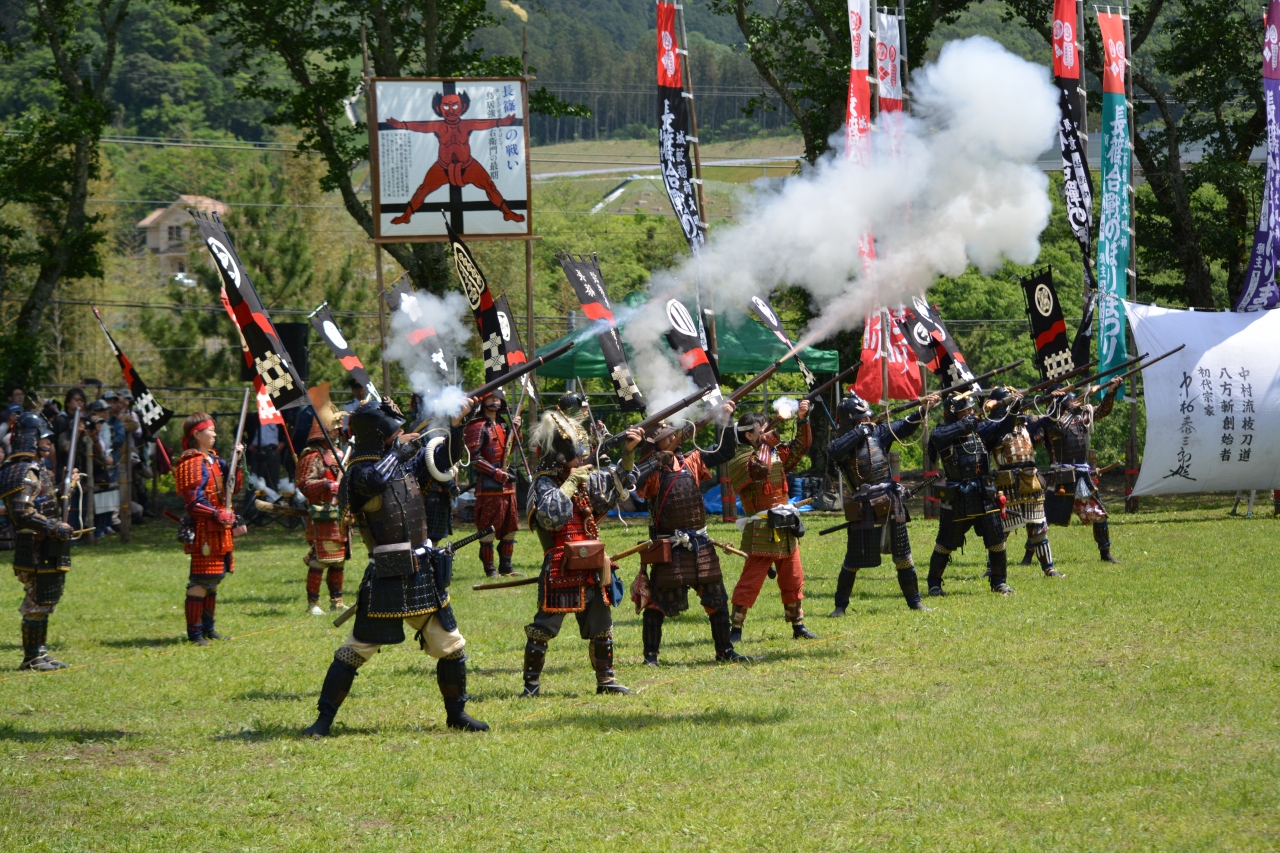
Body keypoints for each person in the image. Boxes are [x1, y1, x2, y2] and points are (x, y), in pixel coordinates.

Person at [302, 397, 487, 737]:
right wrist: (398, 453)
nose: (402, 433)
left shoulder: (402, 463)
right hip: (386, 574)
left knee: (452, 647)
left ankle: (456, 714)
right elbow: (372, 481)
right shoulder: (357, 471)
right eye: (395, 430)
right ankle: (323, 720)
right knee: (354, 651)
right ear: (376, 433)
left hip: (421, 571)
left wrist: (458, 424)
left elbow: (444, 460)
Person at [620, 404, 748, 666]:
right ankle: (650, 656)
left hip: (699, 543)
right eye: (666, 435)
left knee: (717, 599)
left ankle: (724, 651)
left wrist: (724, 418)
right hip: (670, 545)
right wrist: (655, 461)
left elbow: (725, 451)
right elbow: (631, 481)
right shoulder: (650, 467)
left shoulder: (692, 459)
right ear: (656, 442)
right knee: (656, 603)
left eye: (671, 433)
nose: (672, 436)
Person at [521, 409, 633, 698]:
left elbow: (617, 482)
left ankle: (606, 680)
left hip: (591, 562)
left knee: (601, 626)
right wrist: (570, 483)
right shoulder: (543, 483)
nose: (582, 460)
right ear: (559, 458)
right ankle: (531, 687)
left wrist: (629, 452)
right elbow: (550, 516)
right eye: (577, 456)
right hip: (560, 564)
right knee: (543, 628)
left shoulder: (584, 478)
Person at [827, 392, 939, 617]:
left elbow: (904, 426)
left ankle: (914, 601)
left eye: (866, 418)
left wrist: (923, 409)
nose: (867, 420)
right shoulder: (844, 440)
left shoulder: (879, 432)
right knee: (854, 559)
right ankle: (840, 606)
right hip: (863, 504)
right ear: (850, 420)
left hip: (890, 498)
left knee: (903, 555)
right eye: (861, 418)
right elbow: (833, 451)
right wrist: (859, 432)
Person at [727, 402, 816, 643]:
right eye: (762, 431)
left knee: (794, 577)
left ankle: (798, 625)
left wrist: (802, 419)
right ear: (748, 435)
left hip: (785, 524)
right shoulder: (740, 458)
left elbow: (800, 448)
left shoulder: (771, 453)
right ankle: (735, 629)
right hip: (761, 528)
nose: (767, 434)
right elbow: (759, 471)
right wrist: (767, 445)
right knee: (750, 582)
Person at [926, 390, 1023, 597]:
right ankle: (934, 584)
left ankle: (999, 582)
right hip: (958, 495)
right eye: (965, 410)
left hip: (983, 493)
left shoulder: (979, 430)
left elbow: (1003, 426)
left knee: (997, 539)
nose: (970, 413)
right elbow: (936, 436)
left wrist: (1013, 409)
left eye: (971, 409)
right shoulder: (944, 432)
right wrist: (963, 426)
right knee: (945, 543)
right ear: (954, 414)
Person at [0, 413, 74, 670]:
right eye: (44, 438)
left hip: (44, 544)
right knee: (36, 601)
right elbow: (22, 511)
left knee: (45, 599)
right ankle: (31, 657)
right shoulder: (24, 469)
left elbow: (42, 503)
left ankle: (39, 652)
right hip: (34, 545)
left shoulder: (32, 468)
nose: (48, 443)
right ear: (32, 439)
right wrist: (54, 525)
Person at [176, 413, 243, 646]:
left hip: (220, 530)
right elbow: (193, 503)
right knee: (201, 581)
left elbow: (232, 488)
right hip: (204, 530)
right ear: (196, 434)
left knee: (214, 580)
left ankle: (208, 629)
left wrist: (238, 460)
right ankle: (194, 633)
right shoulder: (192, 463)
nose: (215, 433)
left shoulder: (215, 460)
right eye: (210, 430)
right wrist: (215, 513)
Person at [980, 387, 1061, 578]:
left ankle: (1049, 568)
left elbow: (1049, 420)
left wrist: (1056, 402)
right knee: (1001, 531)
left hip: (1030, 479)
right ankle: (993, 569)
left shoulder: (1027, 423)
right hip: (1006, 484)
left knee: (1038, 527)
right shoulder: (992, 426)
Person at [1041, 379, 1124, 562]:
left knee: (1100, 515)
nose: (1076, 403)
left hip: (1082, 477)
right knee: (1042, 519)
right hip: (1061, 477)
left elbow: (1102, 410)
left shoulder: (1081, 415)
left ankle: (1105, 553)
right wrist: (1067, 411)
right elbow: (1056, 429)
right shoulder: (1051, 421)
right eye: (1071, 401)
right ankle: (1030, 554)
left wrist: (1110, 392)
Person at [463, 390, 523, 579]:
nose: (495, 401)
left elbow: (511, 449)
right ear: (483, 400)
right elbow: (474, 458)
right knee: (488, 529)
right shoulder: (476, 425)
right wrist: (496, 473)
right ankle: (490, 569)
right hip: (489, 486)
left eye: (498, 398)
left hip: (507, 486)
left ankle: (506, 566)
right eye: (491, 397)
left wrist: (516, 430)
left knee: (510, 526)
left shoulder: (504, 424)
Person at [297, 401, 348, 615]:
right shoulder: (312, 456)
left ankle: (336, 601)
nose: (339, 429)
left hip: (341, 516)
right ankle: (313, 604)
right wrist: (328, 484)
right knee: (319, 560)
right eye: (335, 425)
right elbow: (304, 485)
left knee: (339, 560)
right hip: (321, 515)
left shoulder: (340, 454)